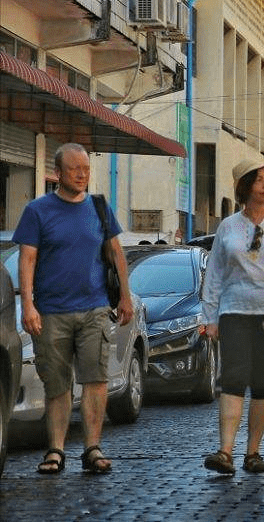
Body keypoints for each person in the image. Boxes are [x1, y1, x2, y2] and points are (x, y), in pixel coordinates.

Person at [13, 142, 135, 475]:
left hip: (95, 308)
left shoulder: (98, 207)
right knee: (56, 384)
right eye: (74, 169)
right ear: (58, 173)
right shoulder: (38, 211)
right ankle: (55, 451)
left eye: (86, 169)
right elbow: (27, 259)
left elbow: (115, 254)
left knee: (95, 380)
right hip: (51, 311)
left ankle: (92, 448)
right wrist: (28, 305)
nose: (82, 175)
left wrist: (125, 295)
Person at [201, 158, 264, 475]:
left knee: (262, 384)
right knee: (232, 379)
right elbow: (215, 274)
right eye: (258, 179)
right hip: (233, 313)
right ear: (244, 186)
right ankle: (225, 452)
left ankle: (253, 452)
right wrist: (210, 316)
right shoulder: (228, 227)